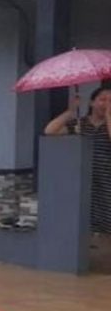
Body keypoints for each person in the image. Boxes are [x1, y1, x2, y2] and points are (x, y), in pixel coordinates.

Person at [45, 86, 111, 234]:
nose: (106, 104)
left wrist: (108, 116)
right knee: (85, 220)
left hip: (106, 181)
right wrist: (71, 111)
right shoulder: (80, 124)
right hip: (84, 179)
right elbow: (50, 131)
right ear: (92, 103)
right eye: (103, 99)